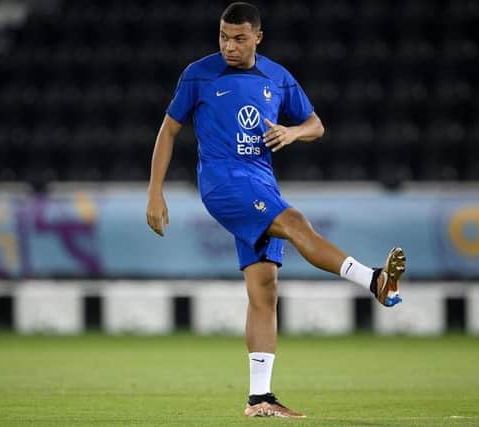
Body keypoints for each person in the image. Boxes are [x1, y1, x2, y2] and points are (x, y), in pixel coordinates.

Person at [146, 2, 406, 419]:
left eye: (239, 38)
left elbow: (316, 124)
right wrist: (154, 192)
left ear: (258, 38)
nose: (229, 46)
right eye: (223, 37)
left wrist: (293, 131)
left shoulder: (277, 78)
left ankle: (259, 398)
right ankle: (373, 279)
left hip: (261, 181)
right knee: (297, 222)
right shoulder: (199, 74)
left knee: (264, 291)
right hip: (223, 182)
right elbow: (168, 129)